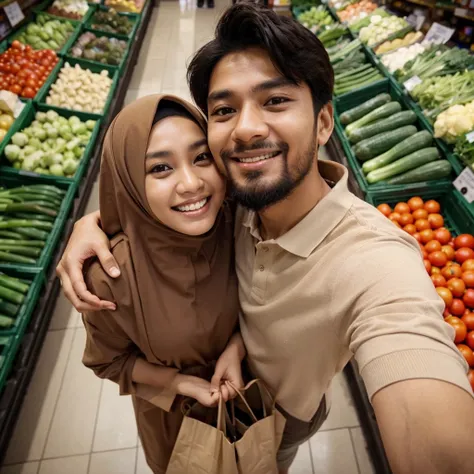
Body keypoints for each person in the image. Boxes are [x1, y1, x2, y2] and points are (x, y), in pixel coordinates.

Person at [58, 4, 474, 474]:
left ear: (322, 123)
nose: (248, 128)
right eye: (224, 110)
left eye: (275, 101)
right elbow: (160, 203)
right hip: (181, 421)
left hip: (277, 423)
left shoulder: (374, 259)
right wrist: (91, 225)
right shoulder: (233, 205)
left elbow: (409, 350)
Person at [80, 94, 243, 474]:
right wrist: (181, 383)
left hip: (254, 397)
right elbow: (109, 361)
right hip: (174, 423)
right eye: (160, 169)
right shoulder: (109, 275)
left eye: (202, 158)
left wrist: (238, 346)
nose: (191, 184)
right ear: (130, 184)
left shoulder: (243, 224)